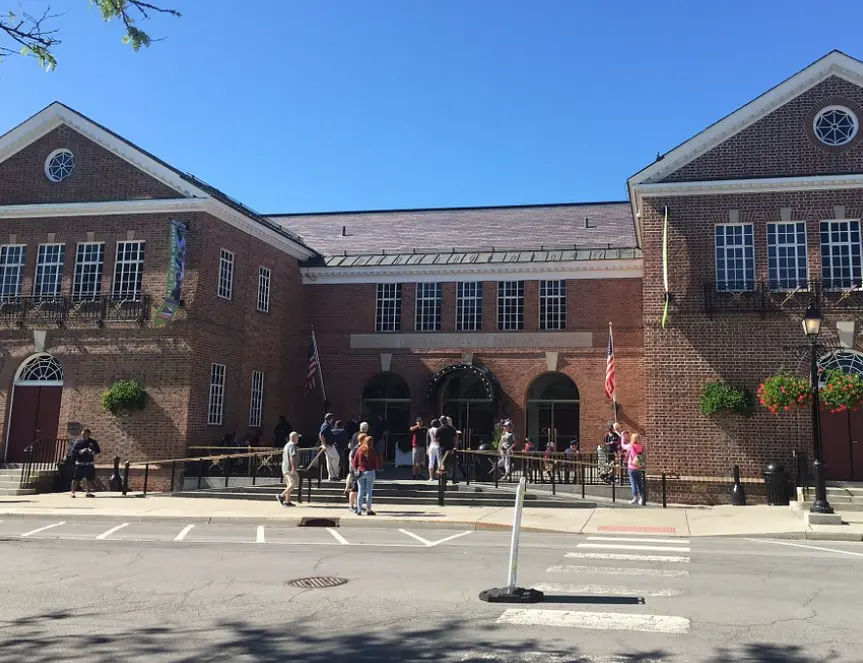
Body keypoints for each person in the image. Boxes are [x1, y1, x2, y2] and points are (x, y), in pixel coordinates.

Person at [351, 433, 380, 515]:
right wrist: (375, 468)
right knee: (369, 492)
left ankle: (359, 510)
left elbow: (355, 462)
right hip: (370, 472)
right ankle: (368, 509)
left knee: (360, 491)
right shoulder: (372, 451)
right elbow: (376, 463)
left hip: (360, 472)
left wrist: (356, 469)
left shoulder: (359, 450)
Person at [70, 429, 101, 498]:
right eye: (82, 434)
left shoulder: (93, 442)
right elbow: (73, 451)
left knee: (89, 478)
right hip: (80, 463)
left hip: (89, 463)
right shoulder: (78, 442)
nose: (83, 435)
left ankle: (88, 492)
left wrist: (92, 451)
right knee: (76, 478)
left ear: (88, 434)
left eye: (84, 434)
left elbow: (98, 450)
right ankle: (72, 492)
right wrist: (81, 451)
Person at [622, 431, 646, 505]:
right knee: (639, 483)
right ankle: (642, 498)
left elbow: (623, 446)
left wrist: (623, 437)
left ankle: (635, 497)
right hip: (639, 467)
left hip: (632, 467)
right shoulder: (641, 446)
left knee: (633, 482)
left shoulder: (630, 446)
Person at [278, 431, 300, 507]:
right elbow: (292, 456)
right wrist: (293, 467)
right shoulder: (292, 445)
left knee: (289, 485)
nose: (298, 439)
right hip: (289, 468)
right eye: (297, 437)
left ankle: (287, 501)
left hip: (284, 467)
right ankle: (281, 496)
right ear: (294, 437)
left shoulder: (286, 445)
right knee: (294, 483)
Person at [319, 413, 340, 481]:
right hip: (328, 445)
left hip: (327, 444)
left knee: (329, 460)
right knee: (336, 458)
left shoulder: (325, 425)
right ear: (330, 419)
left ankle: (331, 476)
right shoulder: (326, 426)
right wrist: (325, 444)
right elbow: (321, 434)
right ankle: (334, 474)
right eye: (332, 419)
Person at [436, 416, 458, 481]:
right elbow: (455, 438)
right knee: (452, 463)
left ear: (441, 422)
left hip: (442, 448)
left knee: (443, 463)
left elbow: (437, 439)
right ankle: (453, 477)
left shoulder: (439, 429)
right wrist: (455, 446)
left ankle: (443, 478)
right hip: (451, 448)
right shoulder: (452, 429)